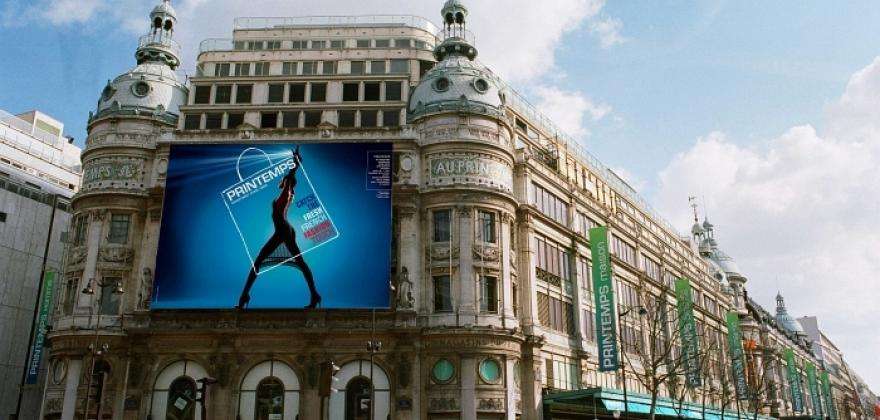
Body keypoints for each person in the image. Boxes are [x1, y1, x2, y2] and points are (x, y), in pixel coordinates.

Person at [237, 147, 321, 309]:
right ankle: (315, 294)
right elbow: (289, 179)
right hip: (284, 229)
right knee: (299, 263)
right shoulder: (285, 194)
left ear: (288, 183)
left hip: (283, 229)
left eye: (285, 180)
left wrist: (295, 164)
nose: (282, 180)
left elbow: (291, 176)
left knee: (259, 261)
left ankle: (244, 295)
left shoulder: (287, 191)